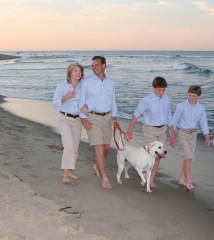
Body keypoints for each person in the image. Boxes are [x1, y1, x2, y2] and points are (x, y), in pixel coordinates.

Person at [124, 76, 175, 188]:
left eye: (163, 90)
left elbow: (169, 117)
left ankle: (150, 179)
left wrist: (172, 133)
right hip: (149, 129)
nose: (161, 92)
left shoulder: (167, 99)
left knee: (159, 155)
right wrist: (129, 132)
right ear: (153, 88)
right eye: (159, 90)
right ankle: (145, 174)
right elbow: (135, 115)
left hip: (162, 130)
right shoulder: (146, 100)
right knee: (150, 155)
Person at [79, 56, 118, 190]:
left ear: (104, 66)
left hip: (107, 118)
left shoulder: (111, 82)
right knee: (99, 148)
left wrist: (115, 117)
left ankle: (97, 165)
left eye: (96, 65)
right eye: (92, 66)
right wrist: (83, 119)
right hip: (92, 117)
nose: (94, 68)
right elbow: (81, 100)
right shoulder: (87, 82)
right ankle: (104, 178)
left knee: (106, 149)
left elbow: (113, 100)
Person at [172, 85, 211, 191]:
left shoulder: (201, 108)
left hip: (193, 134)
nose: (191, 98)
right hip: (181, 133)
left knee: (188, 158)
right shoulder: (181, 106)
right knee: (188, 157)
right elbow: (174, 121)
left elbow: (203, 122)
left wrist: (206, 136)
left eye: (194, 96)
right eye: (189, 95)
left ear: (198, 96)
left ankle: (181, 179)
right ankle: (188, 181)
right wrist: (172, 135)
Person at [52, 63, 84, 184]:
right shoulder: (62, 86)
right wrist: (65, 97)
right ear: (70, 72)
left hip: (77, 120)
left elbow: (86, 101)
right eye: (75, 70)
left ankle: (70, 171)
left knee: (75, 148)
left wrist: (86, 107)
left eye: (80, 71)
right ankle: (65, 174)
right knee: (68, 146)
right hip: (64, 118)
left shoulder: (82, 86)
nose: (78, 73)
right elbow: (54, 104)